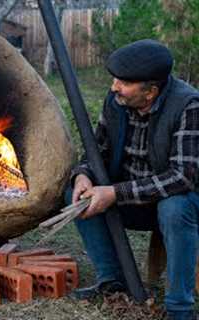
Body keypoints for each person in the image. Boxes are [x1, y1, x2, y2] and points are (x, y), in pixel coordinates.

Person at [66, 39, 199, 320]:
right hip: (128, 200)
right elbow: (96, 151)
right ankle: (112, 281)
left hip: (175, 202)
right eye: (115, 80)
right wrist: (83, 175)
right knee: (75, 195)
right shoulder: (116, 101)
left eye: (123, 82)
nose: (115, 87)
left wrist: (114, 192)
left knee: (175, 208)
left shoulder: (188, 105)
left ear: (150, 91)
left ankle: (179, 308)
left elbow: (182, 177)